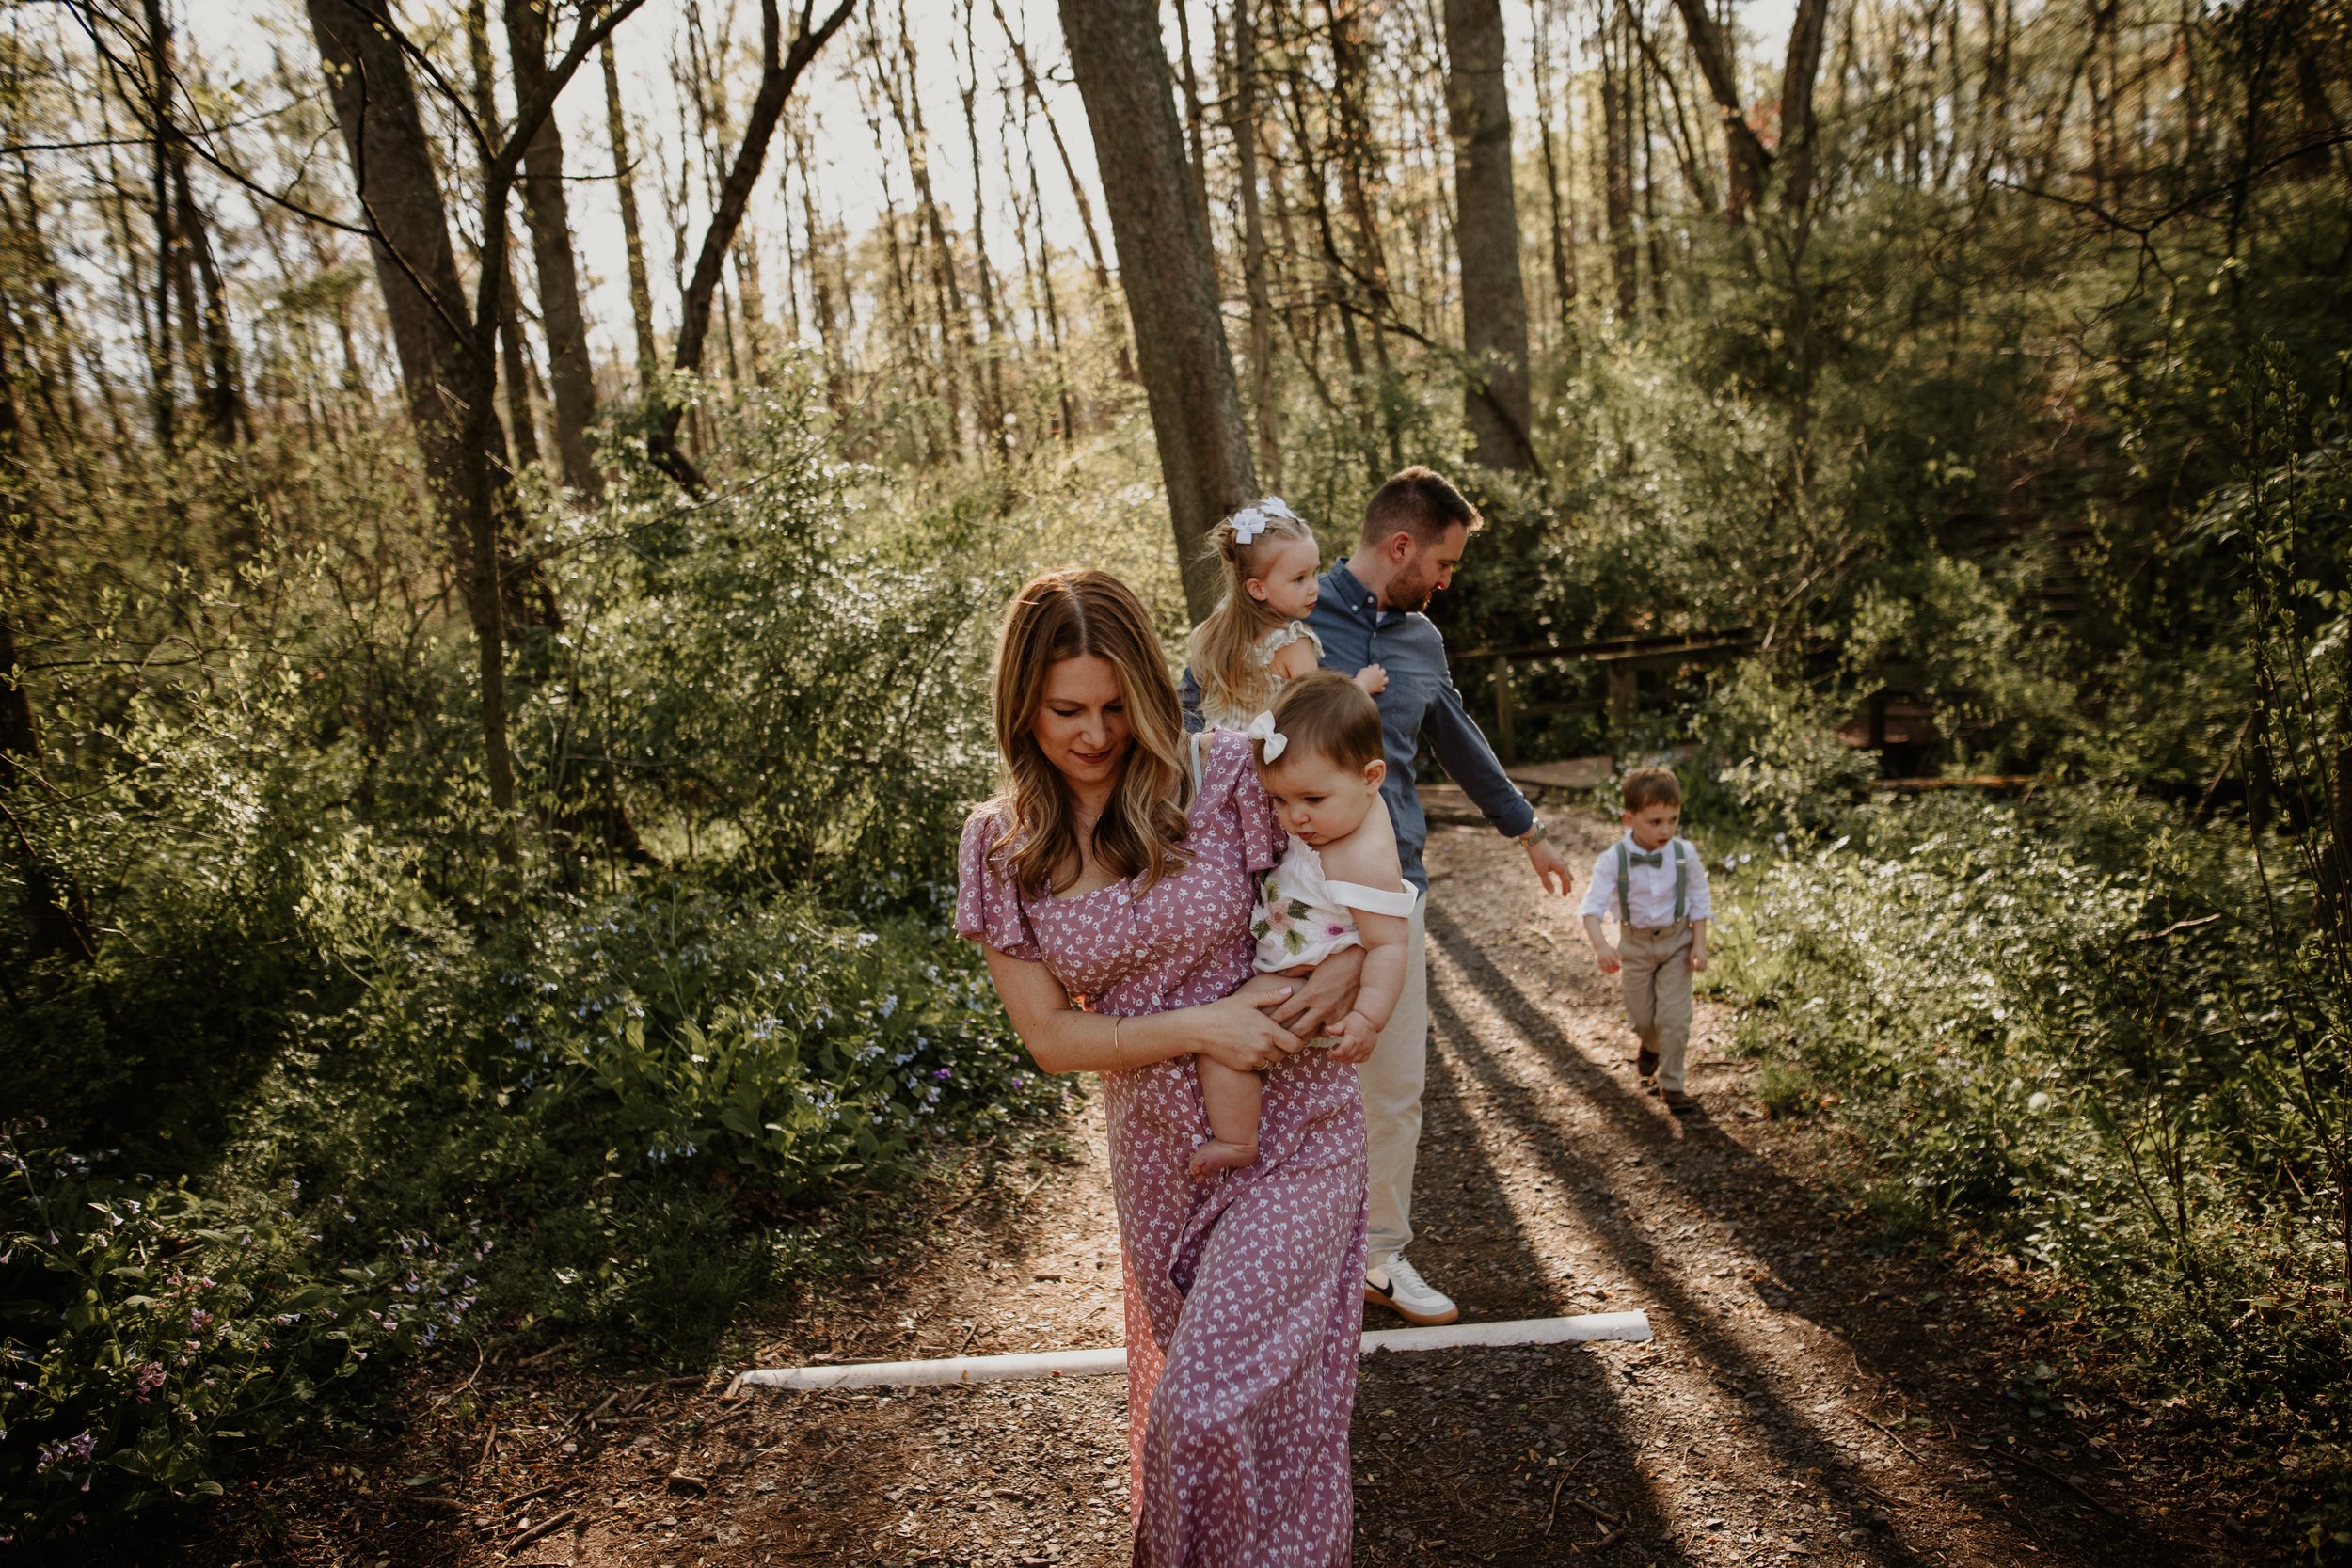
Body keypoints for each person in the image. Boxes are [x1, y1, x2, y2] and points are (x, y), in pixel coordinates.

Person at [957, 568, 1370, 1565]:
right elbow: (1051, 1036)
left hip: (1293, 1126)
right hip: (1162, 1156)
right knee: (1231, 1401)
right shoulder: (1001, 843)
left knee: (1205, 1403)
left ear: (1146, 688)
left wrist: (1357, 947)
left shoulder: (1226, 774)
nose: (1094, 733)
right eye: (1065, 710)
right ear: (1022, 705)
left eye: (1113, 706)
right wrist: (1206, 1024)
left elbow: (1355, 836)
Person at [1192, 465, 1577, 1327]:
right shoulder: (1281, 614)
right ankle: (1272, 1263)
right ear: (1401, 545)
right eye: (1444, 562)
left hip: (1386, 896)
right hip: (1277, 905)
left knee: (1391, 1085)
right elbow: (1197, 719)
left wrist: (1526, 829)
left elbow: (1458, 738)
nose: (1448, 580)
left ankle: (1379, 1257)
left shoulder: (1421, 644)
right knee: (1268, 1077)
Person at [1192, 673, 1416, 1179]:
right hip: (1289, 963)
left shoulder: (1362, 860)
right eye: (1279, 801)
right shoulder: (1344, 811)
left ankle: (1237, 1139)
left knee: (1223, 1046)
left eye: (1312, 800)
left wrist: (1367, 1018)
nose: (1295, 818)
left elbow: (1388, 946)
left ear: (1371, 777)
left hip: (1298, 978)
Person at [1187, 495, 1388, 732]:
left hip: (1217, 759)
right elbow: (1321, 713)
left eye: (1315, 572)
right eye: (1299, 579)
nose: (1315, 588)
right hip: (1260, 765)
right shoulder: (1290, 644)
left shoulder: (1222, 624)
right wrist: (1361, 686)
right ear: (1257, 588)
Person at [1580, 767, 1713, 1113]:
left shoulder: (1686, 854)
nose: (1666, 829)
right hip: (1635, 946)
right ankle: (1650, 1045)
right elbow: (1591, 908)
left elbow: (1699, 899)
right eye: (1655, 822)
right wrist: (1601, 946)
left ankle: (1672, 1083)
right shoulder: (1613, 860)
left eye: (1673, 820)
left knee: (1675, 1018)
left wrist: (1698, 943)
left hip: (1676, 943)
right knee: (1642, 1020)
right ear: (1629, 818)